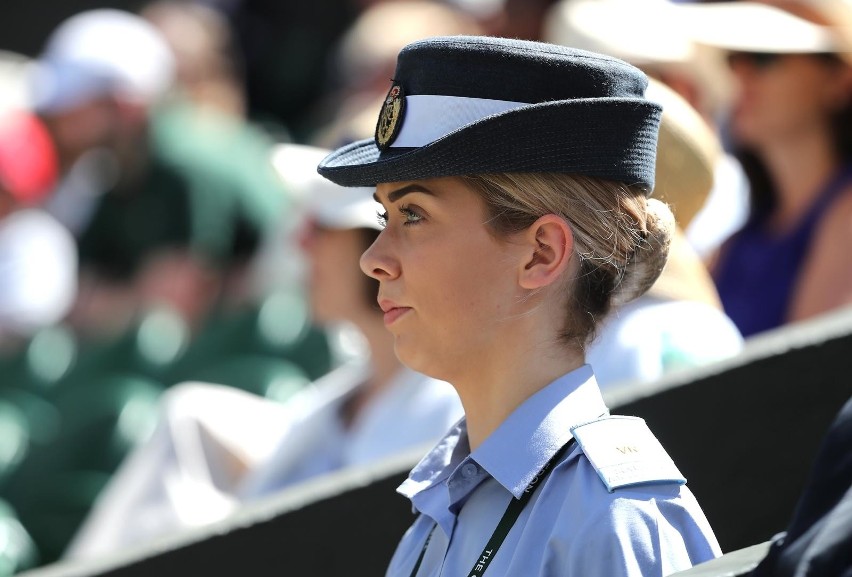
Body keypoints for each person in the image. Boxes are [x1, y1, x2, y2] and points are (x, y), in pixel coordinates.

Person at [317, 36, 720, 576]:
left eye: (413, 214)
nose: (373, 260)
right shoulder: (438, 515)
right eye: (383, 217)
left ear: (540, 253)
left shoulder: (614, 519)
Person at [64, 144, 463, 559]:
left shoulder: (448, 409)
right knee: (189, 414)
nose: (300, 241)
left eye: (323, 225)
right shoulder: (340, 395)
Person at [681, 0, 852, 338]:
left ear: (839, 80)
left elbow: (810, 376)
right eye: (734, 59)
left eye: (763, 57)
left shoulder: (846, 214)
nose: (740, 75)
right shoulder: (740, 237)